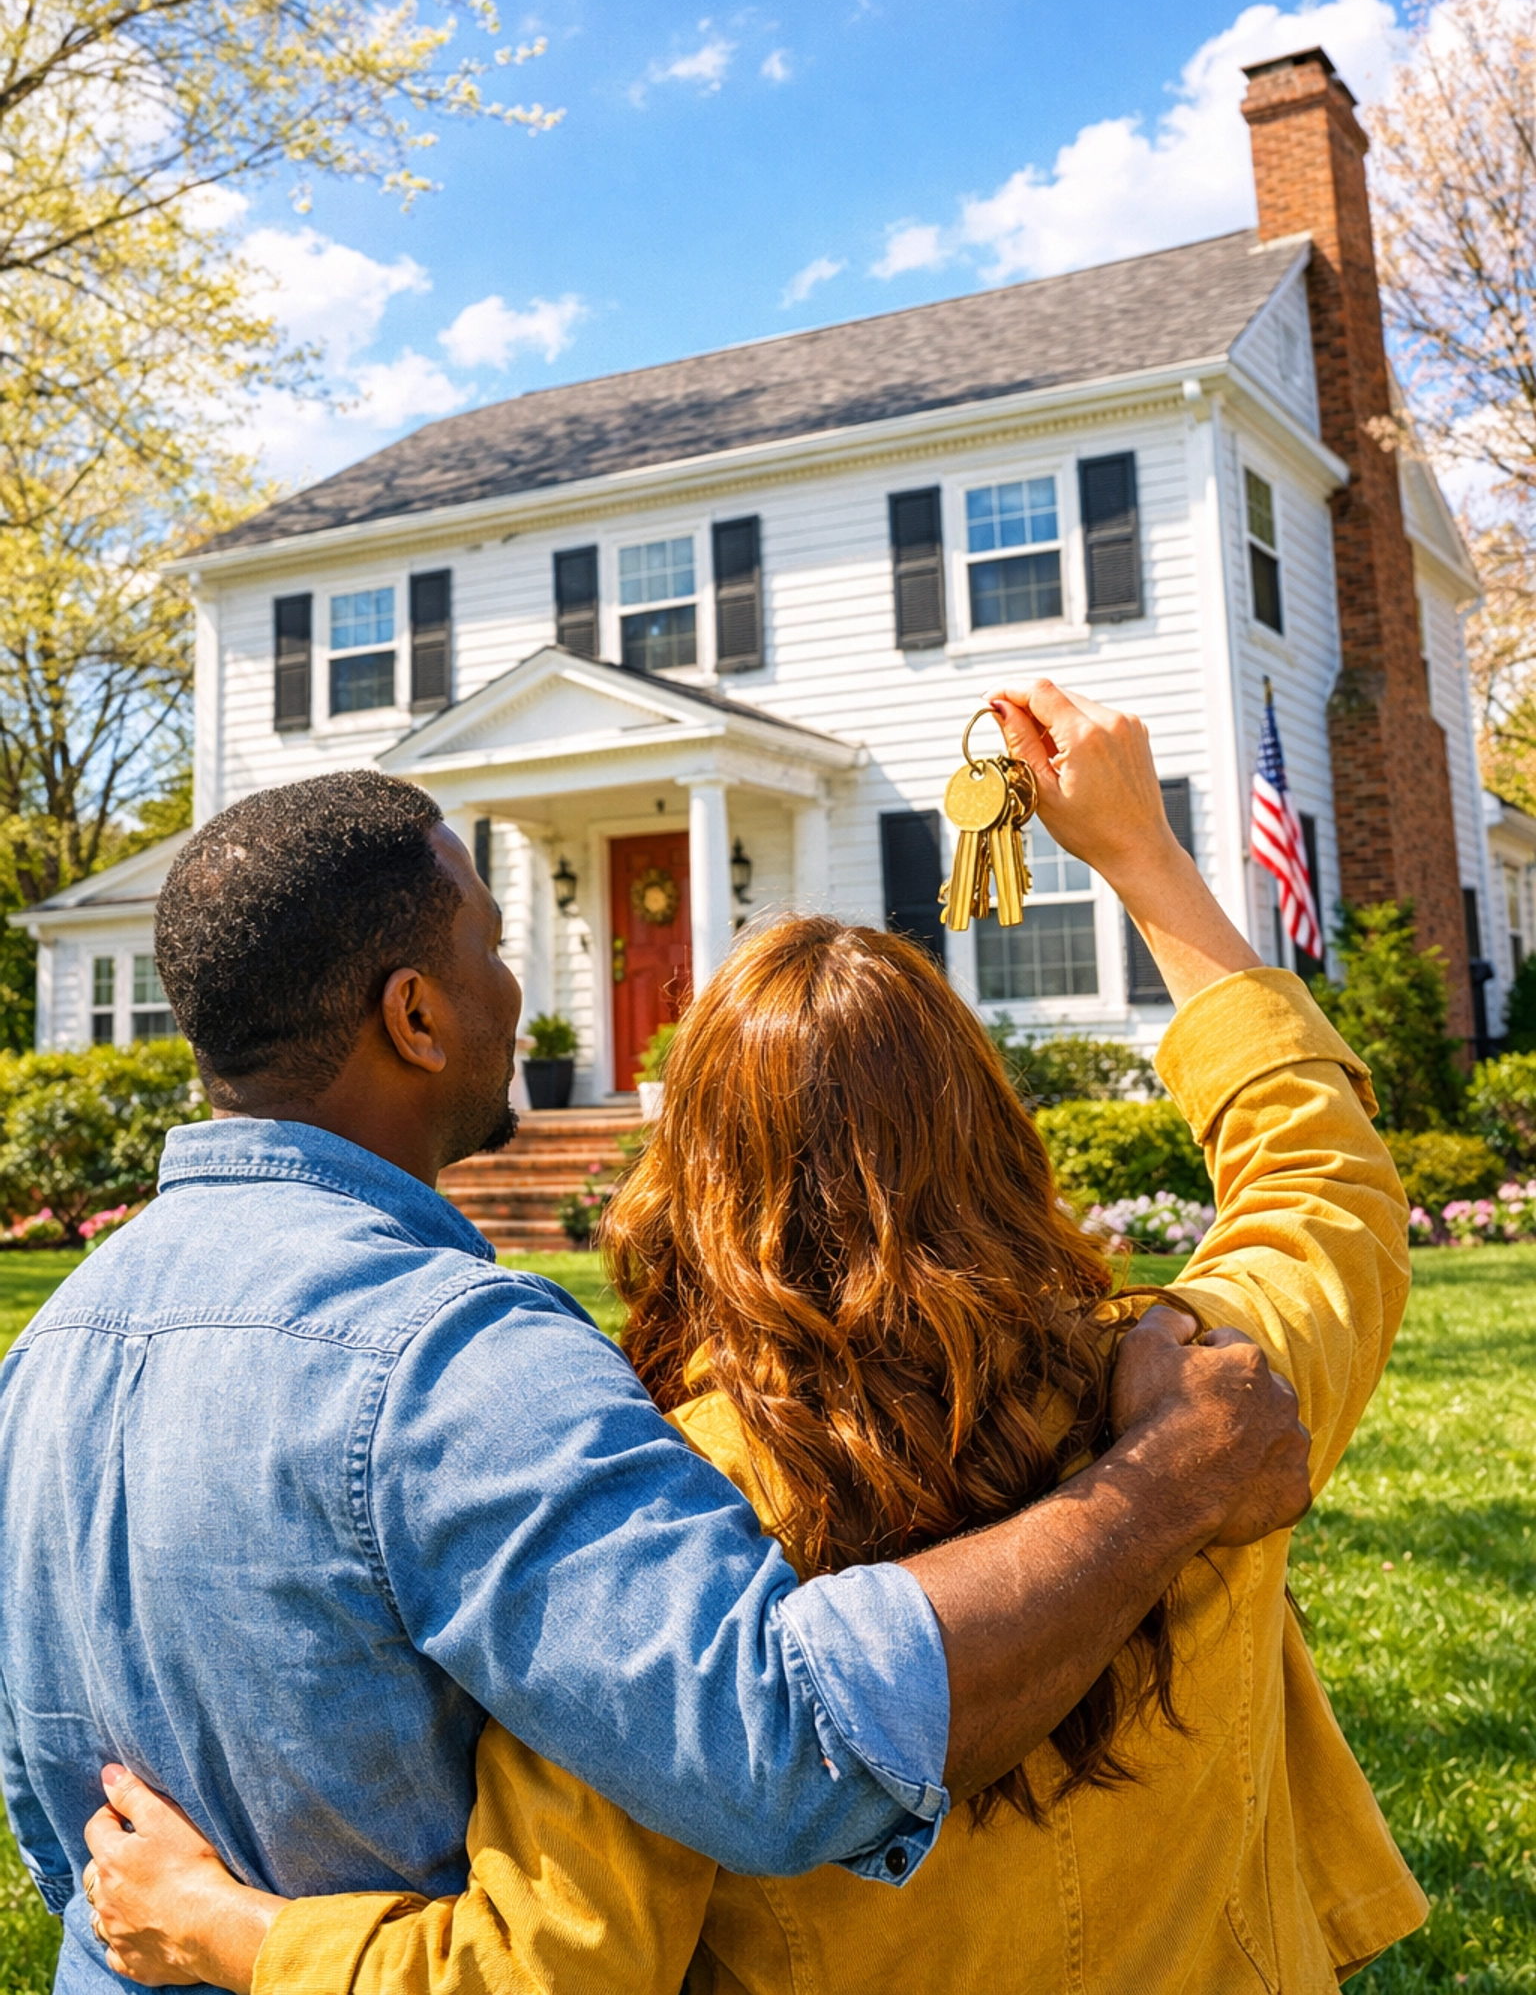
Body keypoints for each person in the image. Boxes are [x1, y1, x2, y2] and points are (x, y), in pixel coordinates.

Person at [78, 681, 1425, 1995]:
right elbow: (1323, 1178)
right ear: (995, 1130)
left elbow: (551, 1965)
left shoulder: (645, 1520)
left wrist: (222, 1929)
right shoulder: (1210, 1393)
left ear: (690, 1177)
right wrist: (1141, 857)